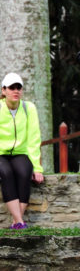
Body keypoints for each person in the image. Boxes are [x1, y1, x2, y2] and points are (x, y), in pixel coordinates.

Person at [0, 73, 44, 229]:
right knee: (6, 173)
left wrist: (37, 168)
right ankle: (19, 221)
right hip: (0, 154)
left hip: (20, 153)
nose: (16, 91)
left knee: (25, 173)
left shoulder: (29, 108)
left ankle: (17, 222)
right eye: (12, 87)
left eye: (19, 87)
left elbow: (34, 138)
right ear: (3, 90)